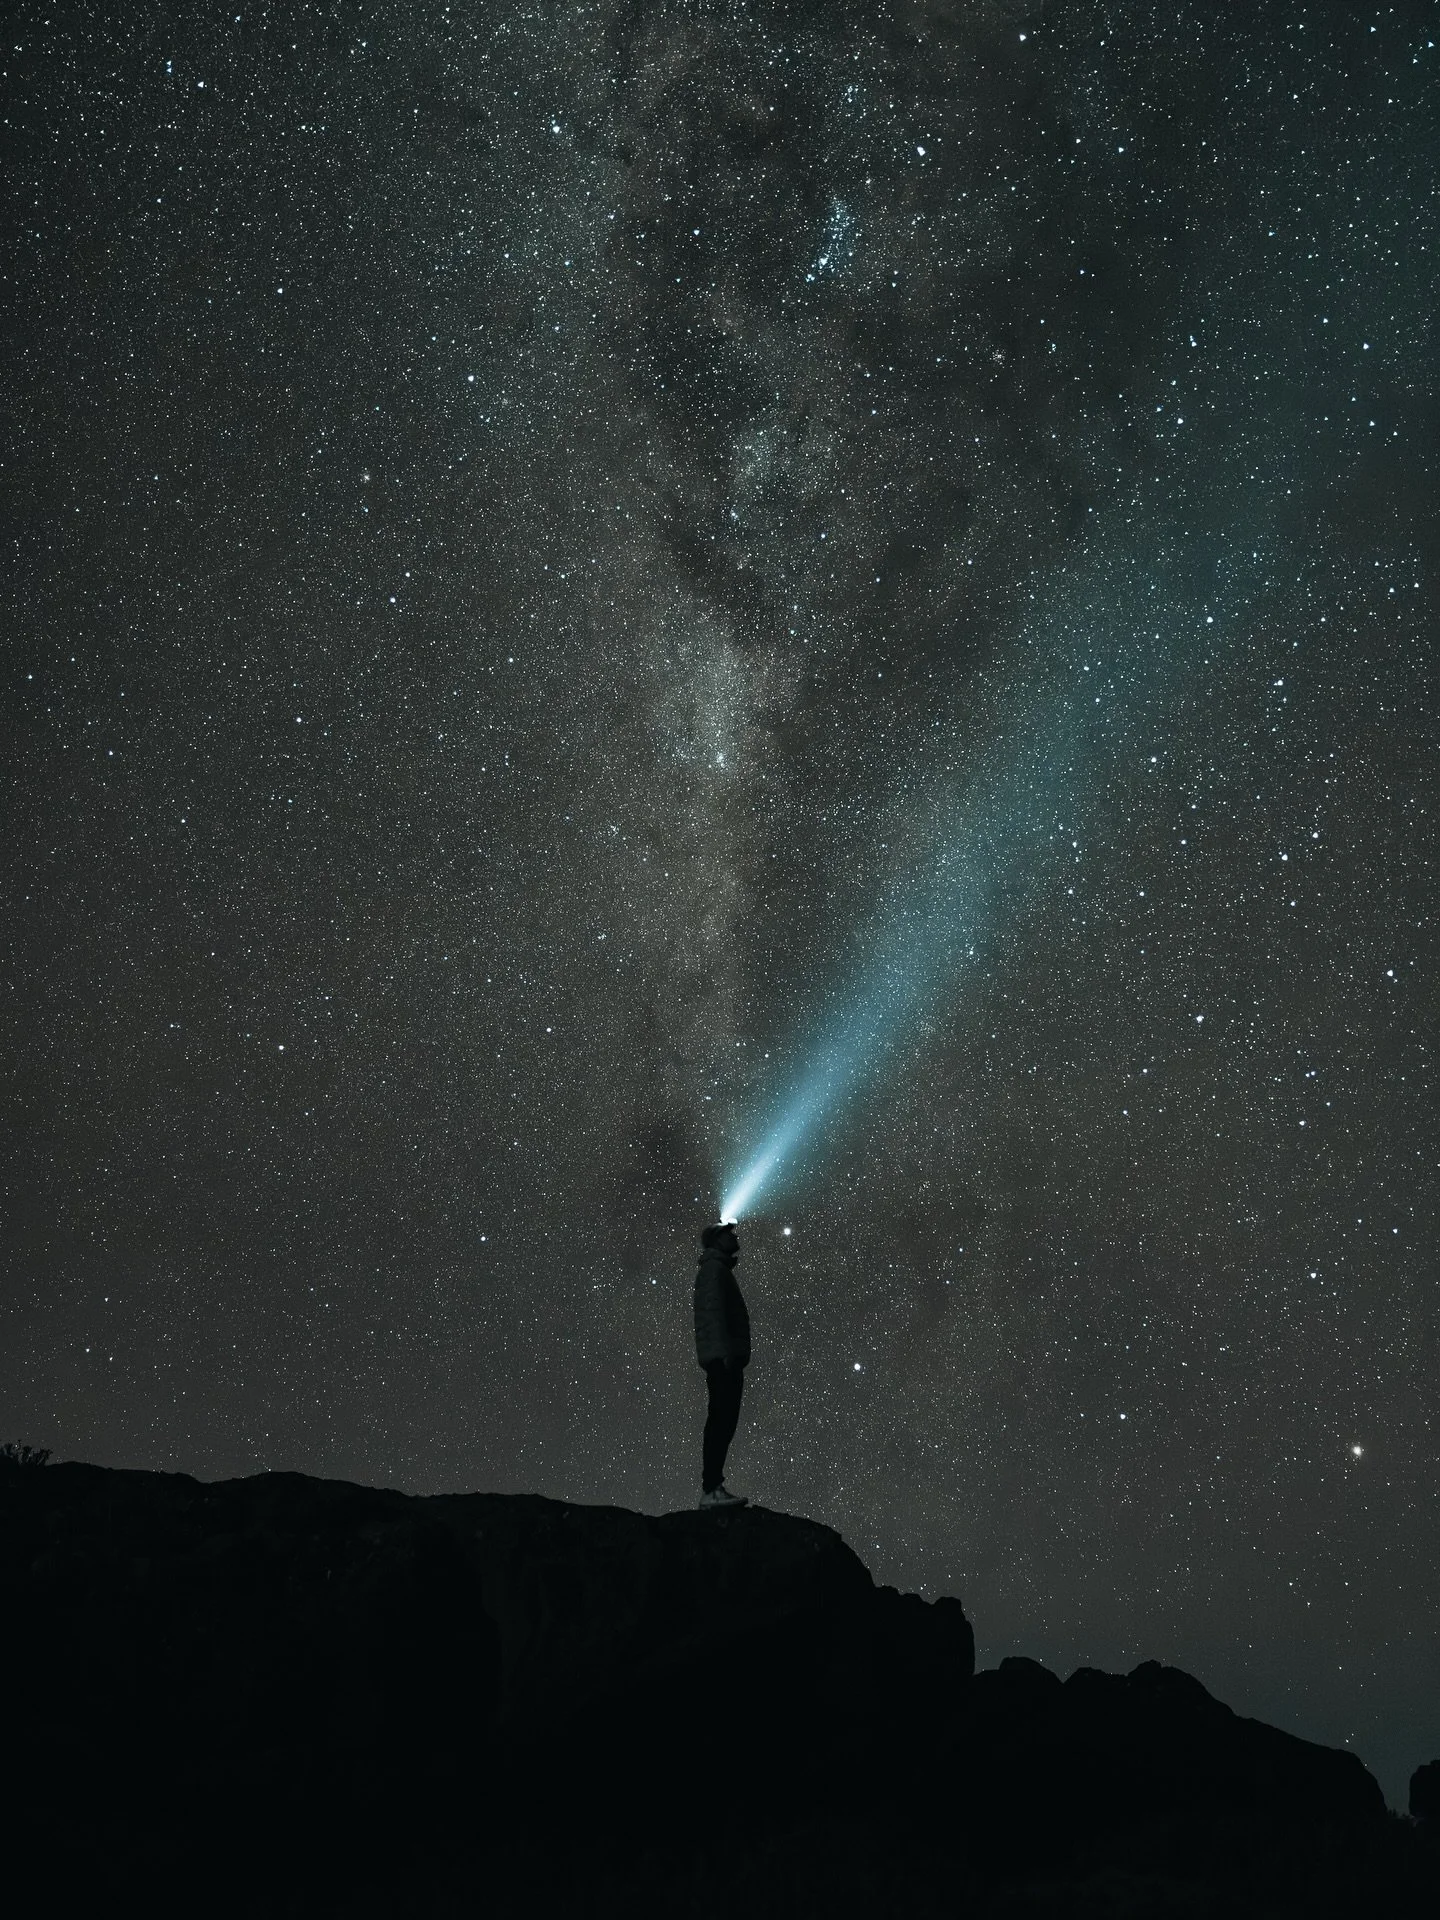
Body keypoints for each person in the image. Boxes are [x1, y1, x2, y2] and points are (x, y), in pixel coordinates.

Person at [694, 1221, 750, 1509]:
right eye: (729, 1233)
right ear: (718, 1240)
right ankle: (711, 1489)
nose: (735, 1236)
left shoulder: (717, 1270)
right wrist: (724, 1356)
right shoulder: (714, 1271)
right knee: (720, 1421)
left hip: (725, 1358)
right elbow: (712, 1314)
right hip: (723, 1360)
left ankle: (713, 1487)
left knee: (723, 1421)